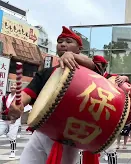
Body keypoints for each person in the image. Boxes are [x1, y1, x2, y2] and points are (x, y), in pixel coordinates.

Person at [8, 26, 100, 164]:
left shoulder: (86, 72)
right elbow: (28, 94)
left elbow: (96, 67)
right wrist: (17, 105)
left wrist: (72, 57)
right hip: (41, 131)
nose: (63, 44)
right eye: (60, 41)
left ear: (79, 49)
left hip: (67, 137)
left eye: (69, 42)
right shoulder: (46, 73)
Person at [0, 84, 20, 158]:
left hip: (14, 118)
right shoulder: (5, 97)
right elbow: (3, 106)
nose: (12, 88)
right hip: (5, 118)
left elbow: (17, 108)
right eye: (11, 87)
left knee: (12, 136)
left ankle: (13, 152)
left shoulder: (18, 98)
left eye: (14, 87)